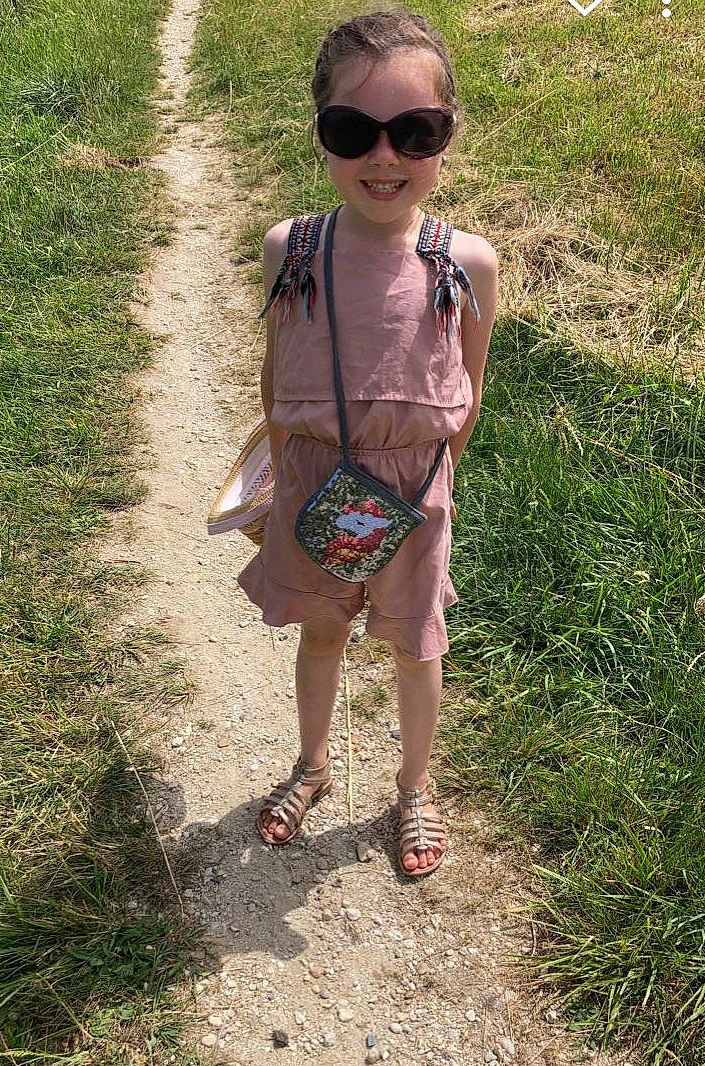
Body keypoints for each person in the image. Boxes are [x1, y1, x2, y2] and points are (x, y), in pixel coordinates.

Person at [237, 9, 498, 877]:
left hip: (414, 494)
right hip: (311, 485)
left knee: (417, 646)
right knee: (320, 635)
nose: (384, 157)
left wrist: (431, 483)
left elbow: (468, 388)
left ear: (446, 138)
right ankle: (312, 766)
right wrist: (273, 475)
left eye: (414, 131)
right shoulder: (291, 248)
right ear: (320, 134)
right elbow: (279, 374)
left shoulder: (466, 262)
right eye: (354, 130)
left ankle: (414, 785)